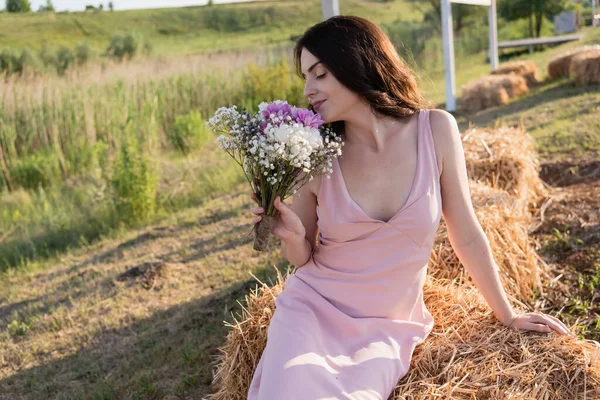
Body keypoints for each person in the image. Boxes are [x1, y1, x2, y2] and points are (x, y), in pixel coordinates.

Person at [247, 15, 573, 400]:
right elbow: (302, 258)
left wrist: (508, 314)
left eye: (319, 74)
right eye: (305, 78)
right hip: (311, 314)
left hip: (387, 328)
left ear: (356, 61)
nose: (308, 90)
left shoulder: (435, 130)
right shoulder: (316, 154)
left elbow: (465, 232)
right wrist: (294, 237)